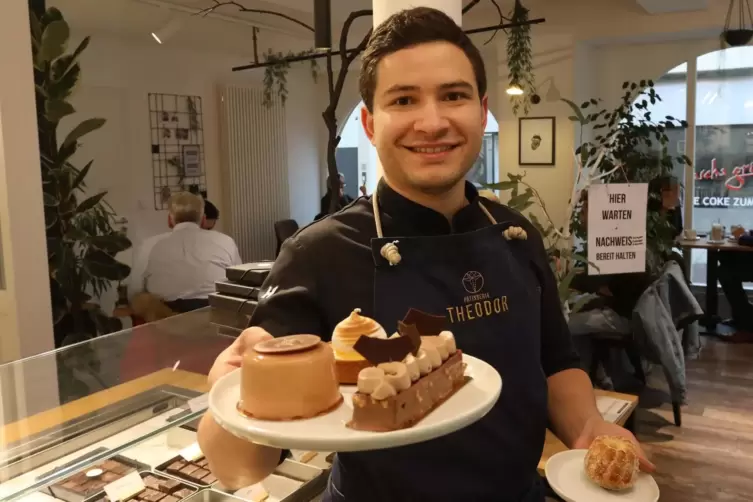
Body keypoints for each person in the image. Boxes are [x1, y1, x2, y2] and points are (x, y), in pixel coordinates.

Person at [198, 8, 654, 501]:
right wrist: (227, 398)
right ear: (371, 125)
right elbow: (241, 468)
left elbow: (557, 362)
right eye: (404, 99)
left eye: (453, 96)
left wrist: (588, 425)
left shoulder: (516, 234)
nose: (432, 122)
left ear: (482, 112)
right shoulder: (318, 253)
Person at [128, 192, 241, 313]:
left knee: (141, 300)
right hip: (216, 314)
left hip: (164, 318)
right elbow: (238, 281)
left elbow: (134, 291)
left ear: (169, 221)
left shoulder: (149, 245)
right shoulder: (225, 241)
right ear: (203, 220)